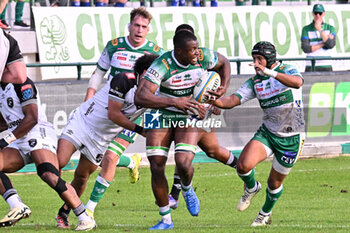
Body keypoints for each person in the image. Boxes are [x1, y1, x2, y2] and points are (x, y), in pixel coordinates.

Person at [134, 30, 230, 230]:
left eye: (197, 48)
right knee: (156, 164)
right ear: (178, 51)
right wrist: (173, 101)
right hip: (161, 112)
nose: (197, 54)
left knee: (184, 163)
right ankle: (166, 220)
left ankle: (186, 188)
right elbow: (140, 97)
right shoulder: (162, 65)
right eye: (192, 50)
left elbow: (224, 62)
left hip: (189, 112)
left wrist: (222, 90)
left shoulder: (202, 57)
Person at [78, 6, 164, 221]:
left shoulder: (156, 52)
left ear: (148, 29)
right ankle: (132, 162)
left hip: (133, 115)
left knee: (109, 157)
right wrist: (88, 99)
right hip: (107, 110)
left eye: (144, 27)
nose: (139, 30)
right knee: (94, 159)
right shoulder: (114, 46)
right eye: (136, 25)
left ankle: (89, 209)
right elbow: (98, 75)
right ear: (129, 25)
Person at [55, 54, 158, 229]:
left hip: (100, 139)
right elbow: (114, 114)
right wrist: (141, 131)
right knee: (58, 163)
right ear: (145, 72)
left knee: (81, 178)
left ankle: (64, 212)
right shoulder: (124, 79)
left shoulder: (156, 92)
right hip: (82, 123)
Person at [210, 41, 305, 226]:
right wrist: (215, 101)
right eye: (253, 59)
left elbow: (298, 83)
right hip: (268, 133)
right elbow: (233, 99)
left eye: (259, 59)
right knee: (243, 166)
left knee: (274, 184)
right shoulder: (255, 81)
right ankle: (252, 188)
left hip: (291, 139)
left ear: (269, 60)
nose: (255, 63)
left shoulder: (287, 69)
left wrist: (270, 73)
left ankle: (264, 214)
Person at [0, 77, 96, 230]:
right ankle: (17, 206)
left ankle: (85, 218)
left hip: (38, 132)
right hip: (18, 138)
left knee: (48, 175)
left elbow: (32, 118)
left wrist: (7, 140)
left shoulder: (22, 83)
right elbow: (5, 121)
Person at [167, 23, 237, 210]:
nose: (194, 51)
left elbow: (225, 64)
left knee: (184, 153)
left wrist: (220, 94)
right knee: (212, 150)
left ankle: (175, 194)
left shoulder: (203, 56)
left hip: (200, 113)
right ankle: (244, 169)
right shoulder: (171, 63)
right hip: (182, 113)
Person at [301, 4, 336, 72]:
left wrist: (319, 29)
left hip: (326, 64)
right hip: (311, 65)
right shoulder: (306, 29)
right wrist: (323, 43)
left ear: (324, 14)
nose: (318, 15)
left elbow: (330, 45)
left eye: (320, 13)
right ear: (312, 14)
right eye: (316, 13)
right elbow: (306, 49)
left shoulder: (330, 28)